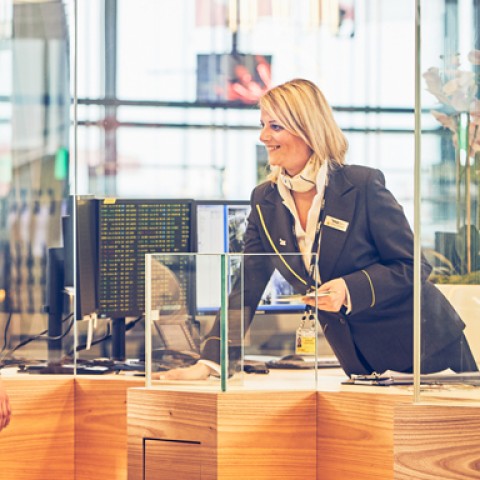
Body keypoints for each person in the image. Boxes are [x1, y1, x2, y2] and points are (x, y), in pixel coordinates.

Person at [157, 78, 478, 380]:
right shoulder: (265, 201)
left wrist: (350, 289)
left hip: (427, 352)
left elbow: (412, 265)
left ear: (307, 130)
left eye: (275, 126)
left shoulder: (361, 186)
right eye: (262, 125)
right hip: (361, 362)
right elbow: (246, 289)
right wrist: (210, 362)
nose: (263, 137)